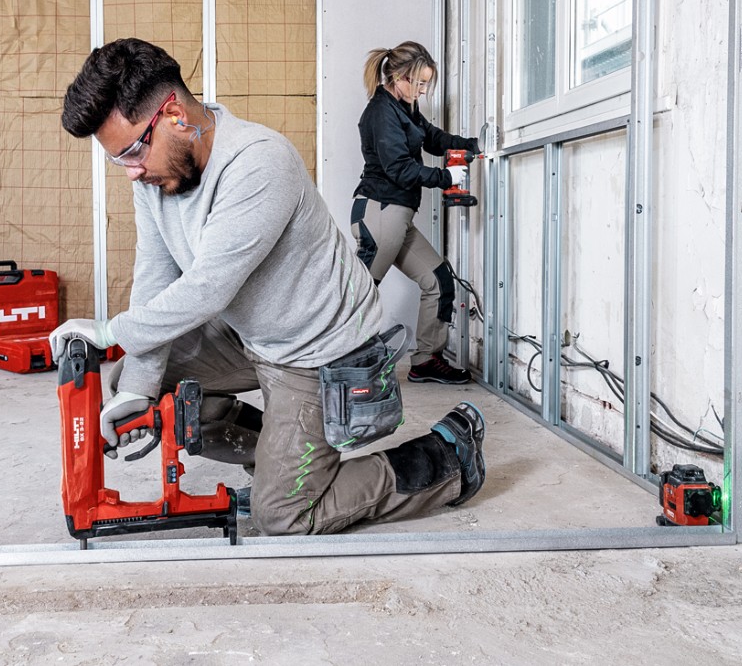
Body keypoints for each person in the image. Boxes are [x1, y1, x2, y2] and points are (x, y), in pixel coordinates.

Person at [49, 38, 487, 536]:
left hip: (318, 349)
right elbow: (155, 274)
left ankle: (446, 457)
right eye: (119, 160)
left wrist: (109, 330)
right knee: (133, 376)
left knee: (282, 517)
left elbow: (208, 288)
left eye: (131, 151)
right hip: (253, 332)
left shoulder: (258, 161)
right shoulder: (157, 178)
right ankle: (280, 461)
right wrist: (138, 389)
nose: (131, 170)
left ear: (173, 115)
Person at [351, 41, 481, 385]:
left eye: (426, 83)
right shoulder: (381, 112)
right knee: (359, 295)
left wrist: (469, 145)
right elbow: (399, 169)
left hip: (398, 216)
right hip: (380, 212)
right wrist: (445, 178)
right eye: (419, 83)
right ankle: (335, 363)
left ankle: (425, 361)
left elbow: (432, 138)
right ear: (399, 77)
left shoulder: (405, 107)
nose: (423, 90)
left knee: (438, 281)